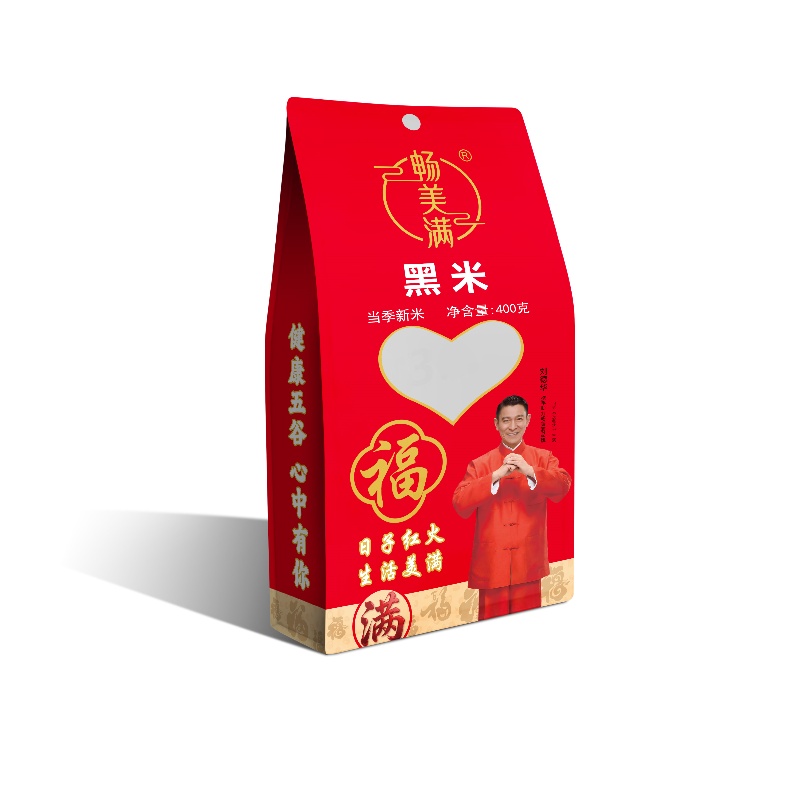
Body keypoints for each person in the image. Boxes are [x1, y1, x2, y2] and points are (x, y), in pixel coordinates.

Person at [452, 395, 572, 620]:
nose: (513, 426)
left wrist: (530, 471)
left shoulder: (543, 457)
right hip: (491, 563)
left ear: (528, 420)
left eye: (519, 419)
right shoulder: (480, 464)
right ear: (496, 424)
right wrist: (495, 476)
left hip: (528, 561)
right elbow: (460, 503)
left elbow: (563, 485)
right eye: (506, 420)